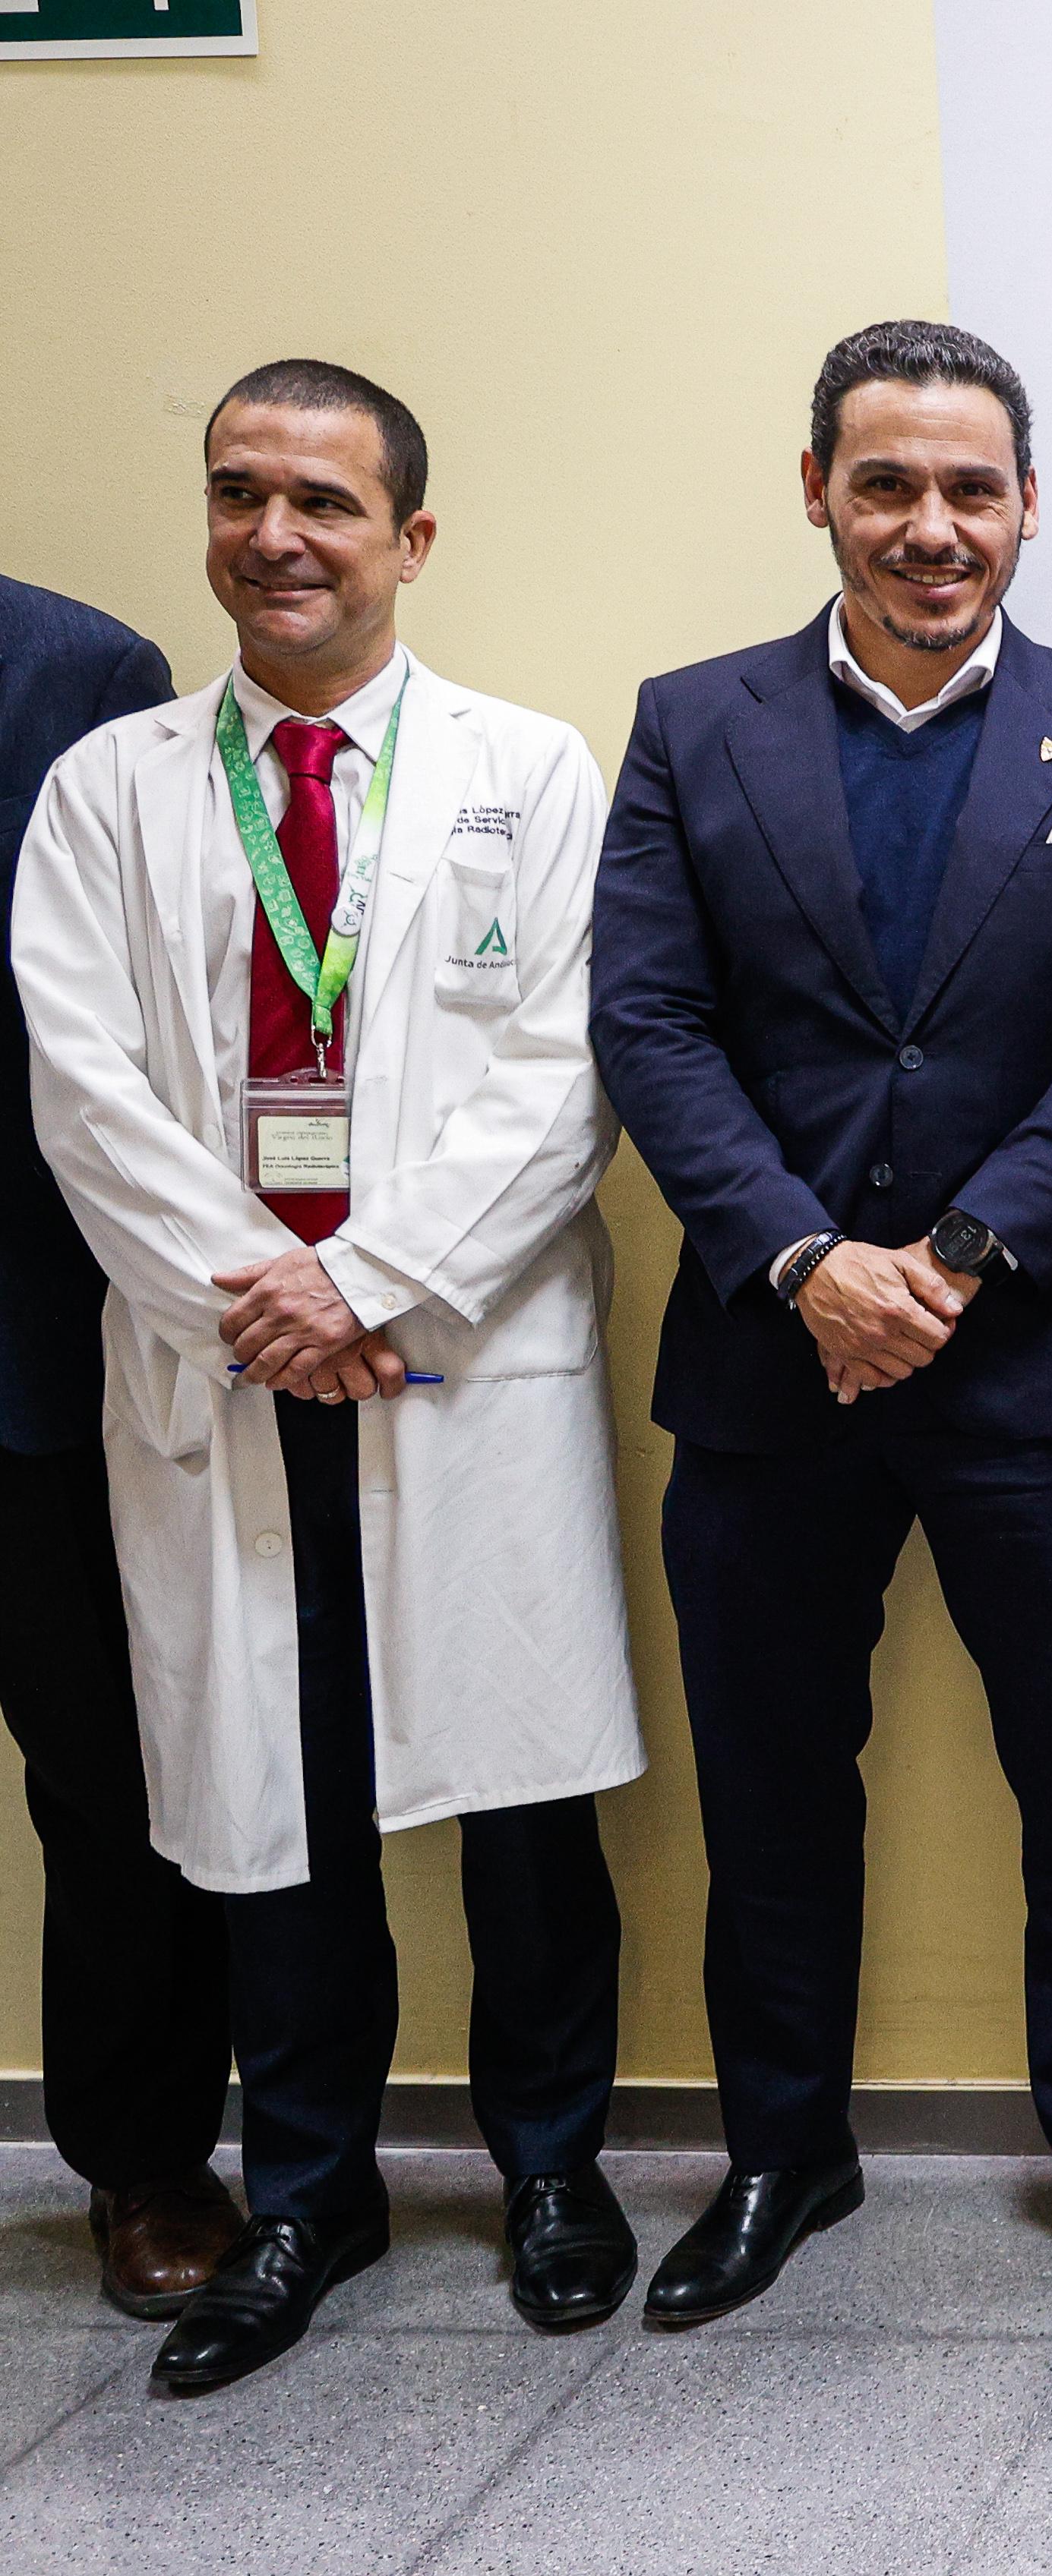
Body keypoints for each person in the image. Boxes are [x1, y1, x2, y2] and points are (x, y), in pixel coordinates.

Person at [16, 362, 643, 2392]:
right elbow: (83, 1084)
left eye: (324, 502)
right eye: (239, 494)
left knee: (517, 1788)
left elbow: (570, 1069)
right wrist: (254, 1292)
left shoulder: (527, 772)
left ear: (409, 540)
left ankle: (552, 2167)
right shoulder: (113, 787)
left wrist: (368, 1273)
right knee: (271, 1789)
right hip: (225, 1361)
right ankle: (310, 2187)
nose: (276, 533)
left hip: (453, 1343)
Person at [590, 321, 1052, 2332]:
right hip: (771, 1363)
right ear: (818, 491)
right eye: (889, 486)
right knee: (770, 1784)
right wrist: (801, 1260)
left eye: (970, 488)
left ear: (1027, 501)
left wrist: (943, 1258)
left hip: (1023, 1350)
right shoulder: (696, 724)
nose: (932, 528)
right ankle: (783, 2152)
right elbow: (652, 1023)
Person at [0, 574, 234, 2322]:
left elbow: (104, 1040)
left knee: (104, 1771)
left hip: (19, 1338)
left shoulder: (73, 673)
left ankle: (144, 2157)